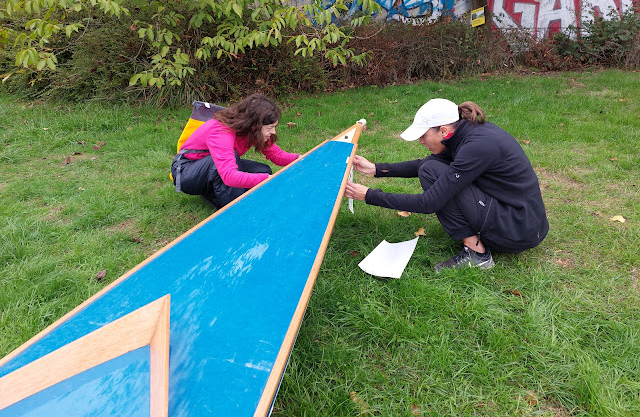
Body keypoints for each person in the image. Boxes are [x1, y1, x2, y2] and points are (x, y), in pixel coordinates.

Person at [344, 98, 549, 272]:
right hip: (523, 220)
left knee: (431, 172)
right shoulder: (466, 133)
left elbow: (429, 203)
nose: (421, 142)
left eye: (423, 135)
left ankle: (477, 254)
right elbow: (424, 164)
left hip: (517, 229)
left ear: (443, 131)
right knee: (430, 167)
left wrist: (369, 195)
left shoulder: (477, 146)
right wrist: (376, 169)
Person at [171, 93, 300, 208]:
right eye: (270, 128)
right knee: (242, 175)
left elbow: (277, 155)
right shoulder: (221, 132)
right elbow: (229, 175)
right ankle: (234, 207)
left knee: (262, 171)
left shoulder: (252, 131)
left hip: (209, 168)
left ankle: (211, 192)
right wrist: (267, 179)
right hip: (185, 173)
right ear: (254, 125)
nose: (273, 132)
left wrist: (301, 159)